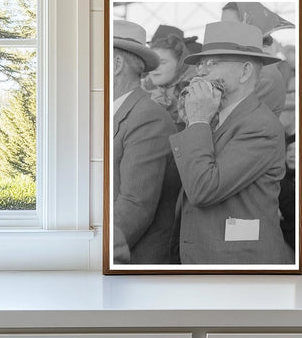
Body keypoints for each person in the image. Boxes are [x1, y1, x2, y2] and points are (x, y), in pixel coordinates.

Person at [169, 21, 292, 264]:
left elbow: (204, 188)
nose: (200, 71)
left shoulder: (261, 126)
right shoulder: (215, 116)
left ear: (245, 72)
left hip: (238, 266)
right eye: (201, 63)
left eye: (213, 63)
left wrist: (197, 120)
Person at [112, 20, 181, 264]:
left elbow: (135, 206)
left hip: (135, 267)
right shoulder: (123, 112)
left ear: (117, 64)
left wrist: (88, 252)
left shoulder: (147, 117)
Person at [221, 2, 288, 118]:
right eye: (222, 27)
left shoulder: (264, 73)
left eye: (231, 26)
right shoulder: (248, 66)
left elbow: (232, 118)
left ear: (253, 28)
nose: (222, 33)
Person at [143, 27, 197, 129]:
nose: (155, 67)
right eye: (152, 61)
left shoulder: (195, 93)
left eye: (162, 62)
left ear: (179, 64)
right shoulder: (139, 90)